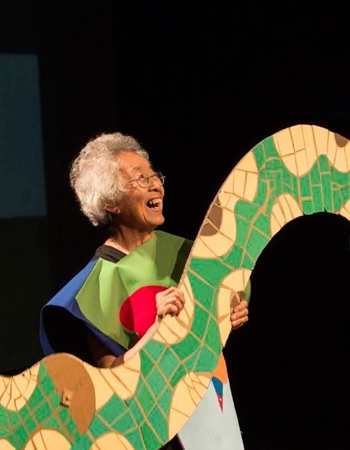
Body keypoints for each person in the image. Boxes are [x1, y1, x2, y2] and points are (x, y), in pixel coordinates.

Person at [39, 132, 249, 449]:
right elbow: (110, 374)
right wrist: (157, 331)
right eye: (140, 179)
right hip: (154, 428)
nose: (156, 186)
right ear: (110, 202)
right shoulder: (93, 288)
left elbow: (211, 323)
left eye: (155, 176)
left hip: (213, 404)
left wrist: (227, 314)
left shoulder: (190, 254)